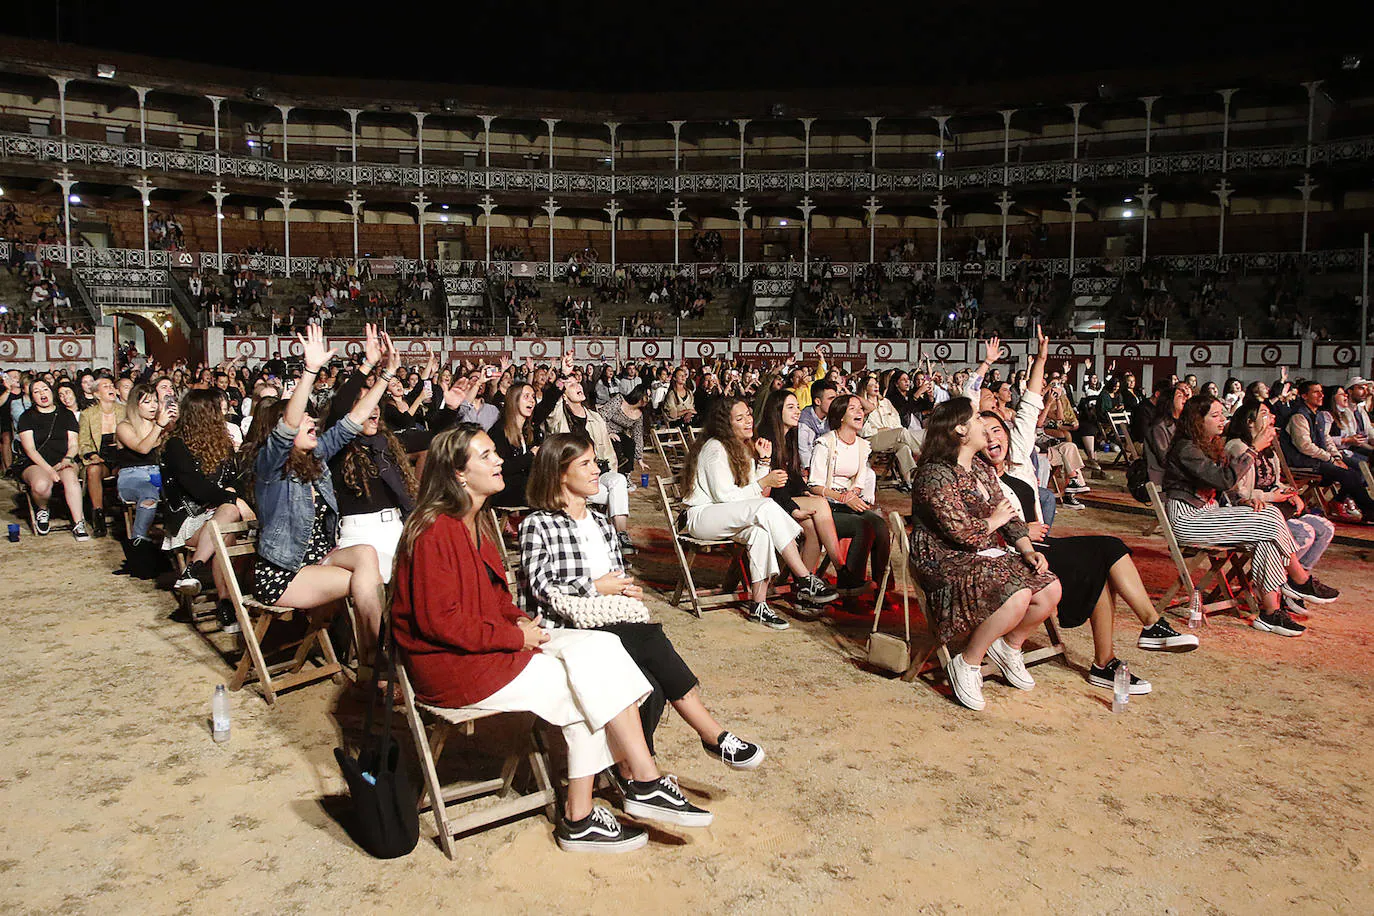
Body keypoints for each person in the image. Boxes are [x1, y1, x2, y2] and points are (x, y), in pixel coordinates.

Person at [390, 424, 712, 854]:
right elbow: (440, 624)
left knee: (605, 648)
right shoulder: (435, 532)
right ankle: (611, 799)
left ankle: (634, 785)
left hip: (488, 648)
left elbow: (497, 600)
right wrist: (513, 635)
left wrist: (527, 625)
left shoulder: (476, 521)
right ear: (458, 474)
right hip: (454, 667)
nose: (499, 460)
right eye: (486, 456)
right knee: (590, 686)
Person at [519, 432, 764, 771]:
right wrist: (595, 586)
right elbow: (540, 586)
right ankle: (711, 735)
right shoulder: (538, 524)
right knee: (650, 640)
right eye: (585, 464)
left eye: (594, 462)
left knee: (649, 681)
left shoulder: (603, 523)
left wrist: (625, 588)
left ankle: (635, 770)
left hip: (611, 618)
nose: (596, 471)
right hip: (568, 623)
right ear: (560, 473)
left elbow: (616, 574)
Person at [978, 333, 1196, 696]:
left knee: (1108, 549)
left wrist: (1042, 358)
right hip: (1012, 557)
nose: (992, 439)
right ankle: (1120, 651)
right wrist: (1018, 531)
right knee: (1102, 555)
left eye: (997, 430)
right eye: (982, 434)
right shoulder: (974, 478)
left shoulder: (1017, 464)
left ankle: (1134, 638)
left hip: (1041, 549)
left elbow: (1030, 404)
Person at [244, 326, 393, 665]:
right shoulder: (270, 471)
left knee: (366, 556)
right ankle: (374, 661)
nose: (312, 420)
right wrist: (310, 371)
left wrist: (383, 374)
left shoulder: (315, 460)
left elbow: (352, 422)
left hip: (319, 561)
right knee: (365, 582)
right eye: (304, 418)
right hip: (284, 574)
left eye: (312, 416)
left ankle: (371, 658)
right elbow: (286, 430)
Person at [908, 397, 1062, 711]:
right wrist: (994, 522)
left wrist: (1026, 549)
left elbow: (1007, 515)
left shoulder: (979, 467)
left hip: (983, 551)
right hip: (944, 559)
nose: (985, 426)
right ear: (960, 429)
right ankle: (967, 662)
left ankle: (1009, 646)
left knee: (1049, 586)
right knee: (1016, 594)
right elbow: (960, 530)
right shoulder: (934, 474)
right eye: (977, 418)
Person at [1164, 394, 1331, 638]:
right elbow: (1223, 479)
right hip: (1189, 520)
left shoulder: (1208, 445)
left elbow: (1224, 488)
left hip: (1208, 513)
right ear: (1198, 421)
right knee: (1270, 517)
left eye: (1223, 414)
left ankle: (1271, 612)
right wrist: (1254, 449)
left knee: (1265, 533)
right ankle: (1298, 579)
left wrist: (1243, 500)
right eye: (1215, 415)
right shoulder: (1186, 448)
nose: (1223, 419)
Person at [681, 397, 838, 629]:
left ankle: (759, 605)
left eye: (748, 415)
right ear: (726, 423)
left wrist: (764, 462)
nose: (748, 421)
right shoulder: (715, 448)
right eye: (739, 418)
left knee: (760, 532)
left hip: (726, 513)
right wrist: (764, 479)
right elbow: (726, 496)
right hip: (702, 515)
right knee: (765, 509)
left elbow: (752, 494)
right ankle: (804, 577)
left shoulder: (743, 447)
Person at [1224, 400, 1339, 616]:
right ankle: (1280, 586)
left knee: (1325, 528)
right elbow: (1237, 492)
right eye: (1265, 414)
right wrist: (1272, 496)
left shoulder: (1268, 448)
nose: (1272, 418)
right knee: (1305, 533)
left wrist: (1289, 493)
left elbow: (1274, 481)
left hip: (1276, 506)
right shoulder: (1239, 447)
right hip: (1254, 511)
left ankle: (1293, 587)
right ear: (1250, 422)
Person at [327, 327, 419, 584]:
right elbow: (339, 405)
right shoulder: (338, 447)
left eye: (376, 403)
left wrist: (451, 410)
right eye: (366, 404)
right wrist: (368, 365)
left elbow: (429, 437)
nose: (374, 409)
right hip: (360, 537)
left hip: (396, 528)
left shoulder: (385, 443)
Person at [164, 389, 257, 631]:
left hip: (217, 518)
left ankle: (192, 570)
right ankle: (227, 605)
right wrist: (234, 500)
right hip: (188, 518)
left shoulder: (222, 442)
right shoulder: (176, 446)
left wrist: (232, 497)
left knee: (224, 535)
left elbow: (236, 481)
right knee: (227, 524)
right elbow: (199, 491)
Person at [540, 364, 636, 555]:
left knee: (618, 481)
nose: (579, 387)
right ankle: (615, 540)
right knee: (616, 496)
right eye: (572, 385)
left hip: (595, 474)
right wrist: (562, 377)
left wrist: (610, 473)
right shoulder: (559, 417)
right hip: (570, 478)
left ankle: (621, 533)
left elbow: (608, 452)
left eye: (578, 383)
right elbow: (551, 409)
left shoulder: (595, 417)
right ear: (564, 395)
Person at [756, 389, 844, 578]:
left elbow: (794, 475)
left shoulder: (789, 436)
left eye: (797, 406)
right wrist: (793, 509)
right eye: (791, 407)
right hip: (767, 501)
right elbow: (774, 484)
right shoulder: (766, 440)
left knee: (812, 528)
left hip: (783, 497)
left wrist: (804, 493)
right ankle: (840, 567)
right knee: (820, 503)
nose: (797, 411)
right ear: (777, 411)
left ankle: (803, 585)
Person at [808, 394, 889, 594]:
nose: (859, 412)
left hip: (849, 502)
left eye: (860, 409)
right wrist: (843, 498)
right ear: (841, 416)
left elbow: (860, 481)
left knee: (880, 525)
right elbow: (814, 485)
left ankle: (882, 587)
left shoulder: (862, 446)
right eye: (853, 409)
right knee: (861, 526)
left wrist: (853, 495)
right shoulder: (825, 443)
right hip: (826, 508)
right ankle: (850, 584)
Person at [1281, 380, 1374, 523]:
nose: (1321, 395)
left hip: (1316, 459)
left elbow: (1326, 439)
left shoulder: (1317, 415)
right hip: (1302, 461)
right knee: (1349, 474)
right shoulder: (1299, 416)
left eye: (1321, 392)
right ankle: (1369, 509)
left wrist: (1336, 457)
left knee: (1352, 472)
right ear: (1305, 396)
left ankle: (1366, 509)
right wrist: (1330, 459)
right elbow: (1305, 446)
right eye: (1316, 392)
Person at [13, 379, 89, 539]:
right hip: (36, 462)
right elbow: (30, 449)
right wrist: (49, 470)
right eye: (37, 391)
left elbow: (73, 444)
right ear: (32, 397)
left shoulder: (66, 414)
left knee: (71, 479)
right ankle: (42, 509)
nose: (42, 393)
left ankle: (78, 523)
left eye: (45, 389)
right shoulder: (26, 417)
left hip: (63, 459)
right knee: (41, 485)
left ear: (51, 392)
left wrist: (67, 459)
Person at [112, 382, 171, 550]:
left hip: (158, 474)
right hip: (132, 476)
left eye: (155, 401)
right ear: (135, 405)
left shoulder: (160, 425)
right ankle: (139, 540)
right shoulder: (125, 426)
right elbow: (143, 448)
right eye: (147, 402)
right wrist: (160, 426)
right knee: (148, 493)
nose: (153, 406)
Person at [77, 377, 126, 538]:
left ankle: (126, 515)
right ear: (97, 394)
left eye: (112, 385)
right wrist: (92, 455)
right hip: (101, 458)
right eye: (106, 386)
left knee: (125, 470)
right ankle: (98, 515)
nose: (111, 388)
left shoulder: (124, 411)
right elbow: (83, 443)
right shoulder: (88, 414)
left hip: (121, 456)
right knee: (93, 470)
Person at [858, 374, 923, 493]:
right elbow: (862, 430)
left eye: (876, 383)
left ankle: (907, 482)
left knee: (903, 447)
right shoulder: (861, 405)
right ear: (865, 388)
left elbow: (896, 420)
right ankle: (922, 455)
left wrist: (890, 430)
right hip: (872, 439)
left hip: (891, 436)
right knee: (902, 432)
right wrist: (881, 430)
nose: (875, 386)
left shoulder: (886, 402)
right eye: (871, 385)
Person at [489, 381, 537, 508]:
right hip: (505, 489)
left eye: (533, 397)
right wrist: (531, 456)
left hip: (525, 487)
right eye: (526, 397)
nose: (532, 401)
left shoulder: (529, 431)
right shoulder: (499, 431)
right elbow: (502, 467)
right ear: (514, 400)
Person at [1146, 383, 1189, 488]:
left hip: (1182, 470)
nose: (1184, 399)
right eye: (1179, 396)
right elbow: (1165, 459)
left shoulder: (1183, 422)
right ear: (1169, 401)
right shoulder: (1159, 427)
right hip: (1166, 477)